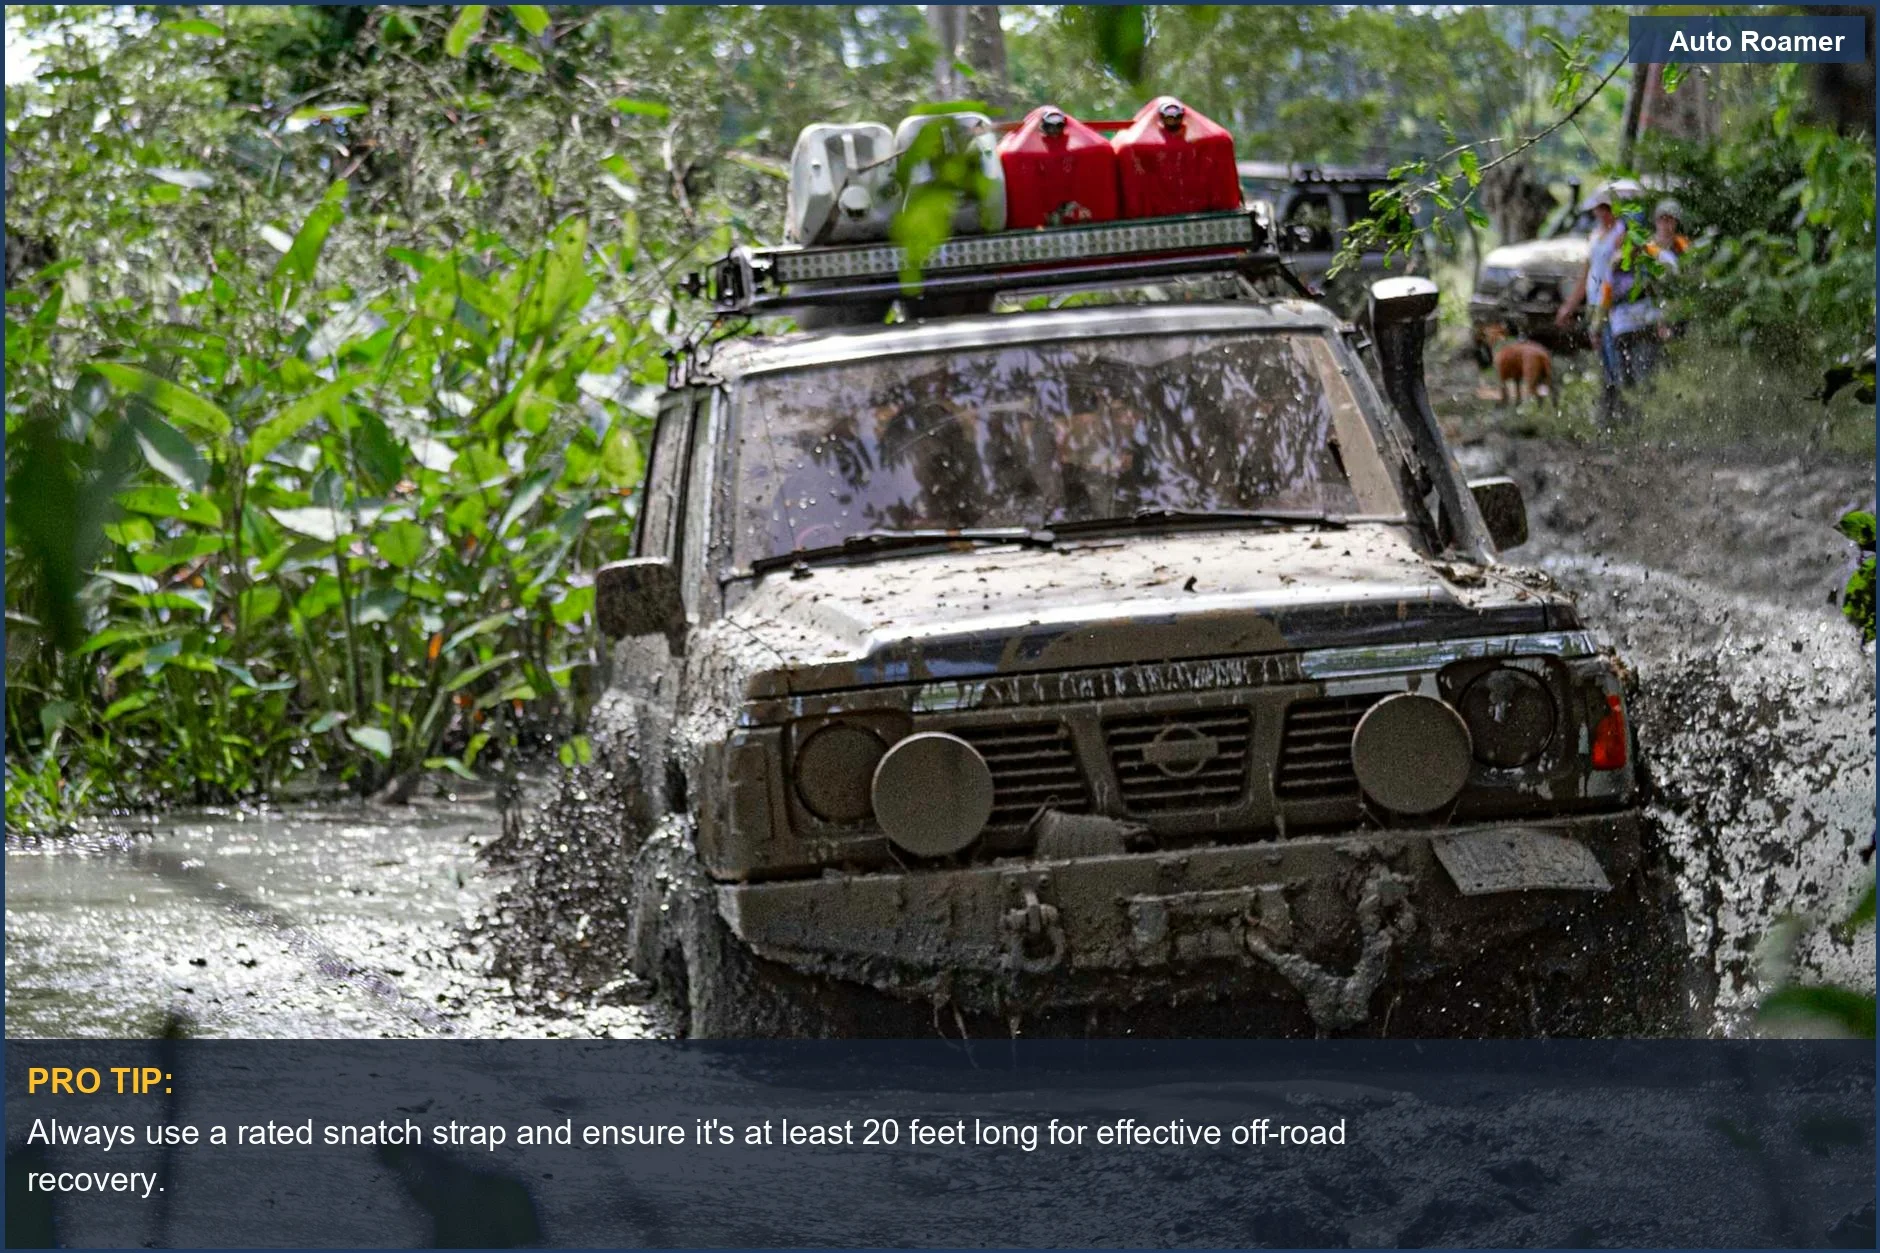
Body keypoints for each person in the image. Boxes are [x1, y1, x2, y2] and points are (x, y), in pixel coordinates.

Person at [1554, 186, 1629, 420]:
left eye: (1606, 208)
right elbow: (1586, 273)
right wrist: (1570, 305)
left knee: (1613, 351)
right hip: (1594, 300)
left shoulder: (1621, 233)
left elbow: (1621, 267)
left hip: (1613, 299)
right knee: (1601, 352)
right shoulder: (1595, 236)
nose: (1602, 213)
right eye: (1599, 209)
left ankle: (1622, 406)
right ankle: (1608, 408)